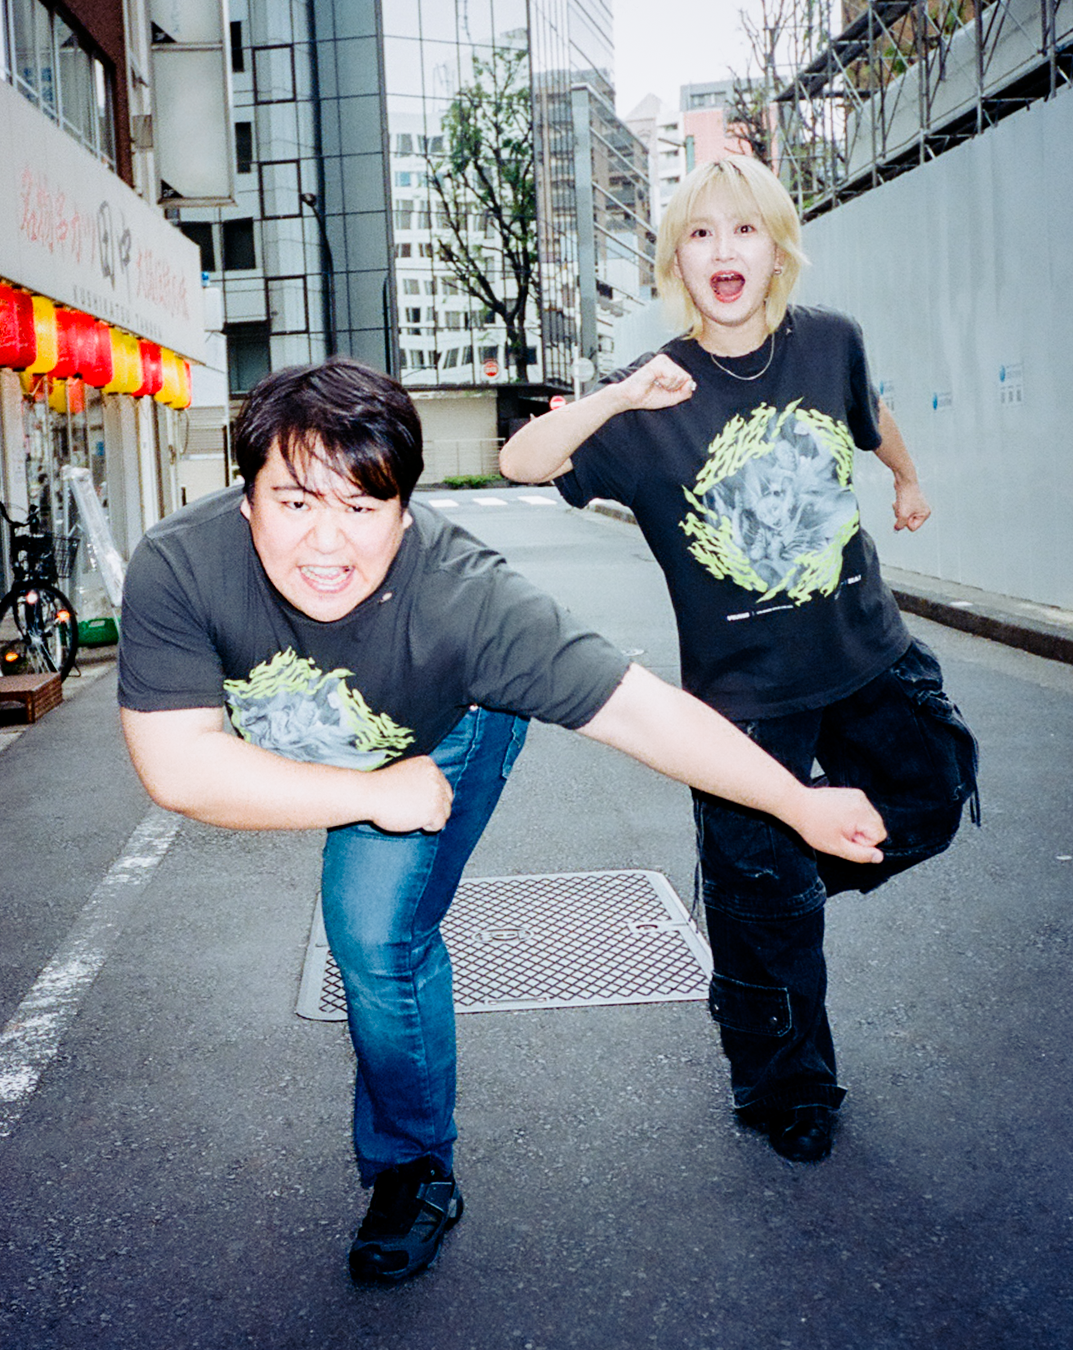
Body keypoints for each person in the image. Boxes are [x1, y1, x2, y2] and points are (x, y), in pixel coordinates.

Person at [118, 357, 886, 1285]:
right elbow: (178, 765)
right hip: (370, 771)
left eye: (361, 506)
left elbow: (641, 711)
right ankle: (412, 1136)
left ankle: (413, 1171)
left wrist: (797, 800)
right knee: (375, 886)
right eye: (294, 502)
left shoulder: (469, 602)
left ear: (406, 511)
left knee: (376, 935)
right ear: (246, 501)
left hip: (444, 730)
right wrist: (368, 794)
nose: (325, 542)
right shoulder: (181, 566)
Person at [500, 154, 979, 1167]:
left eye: (745, 229)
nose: (725, 249)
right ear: (680, 260)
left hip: (866, 652)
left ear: (777, 250)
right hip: (745, 700)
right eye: (702, 233)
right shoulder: (651, 395)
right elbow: (523, 460)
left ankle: (762, 899)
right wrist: (619, 396)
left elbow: (871, 413)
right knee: (768, 913)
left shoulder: (831, 341)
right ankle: (787, 1085)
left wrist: (907, 480)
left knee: (935, 797)